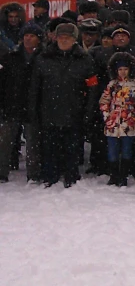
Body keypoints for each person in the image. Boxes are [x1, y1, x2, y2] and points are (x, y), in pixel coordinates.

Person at [28, 22, 97, 188]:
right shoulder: (43, 59)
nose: (64, 40)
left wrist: (89, 110)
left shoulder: (85, 60)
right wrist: (33, 110)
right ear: (55, 38)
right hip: (48, 111)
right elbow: (34, 88)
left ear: (74, 39)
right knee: (49, 147)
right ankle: (50, 176)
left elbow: (92, 87)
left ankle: (71, 175)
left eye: (68, 37)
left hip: (75, 111)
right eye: (61, 37)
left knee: (72, 147)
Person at [0, 23, 43, 183]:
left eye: (31, 36)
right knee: (5, 142)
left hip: (34, 106)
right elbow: (3, 82)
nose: (28, 38)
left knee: (33, 143)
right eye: (26, 35)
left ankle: (34, 174)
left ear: (38, 39)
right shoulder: (11, 56)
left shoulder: (43, 57)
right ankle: (2, 172)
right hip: (12, 104)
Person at [98, 52, 135, 187]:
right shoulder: (112, 84)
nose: (123, 72)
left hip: (129, 122)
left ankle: (123, 176)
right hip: (113, 122)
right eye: (120, 69)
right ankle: (114, 175)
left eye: (125, 69)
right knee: (112, 151)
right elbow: (104, 100)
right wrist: (106, 114)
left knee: (127, 150)